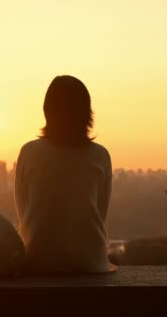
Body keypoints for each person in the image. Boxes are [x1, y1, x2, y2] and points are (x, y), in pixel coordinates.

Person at [14, 75, 115, 274]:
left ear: (48, 111)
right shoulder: (100, 155)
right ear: (87, 112)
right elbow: (99, 213)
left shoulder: (29, 152)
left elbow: (23, 211)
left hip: (37, 260)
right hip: (90, 262)